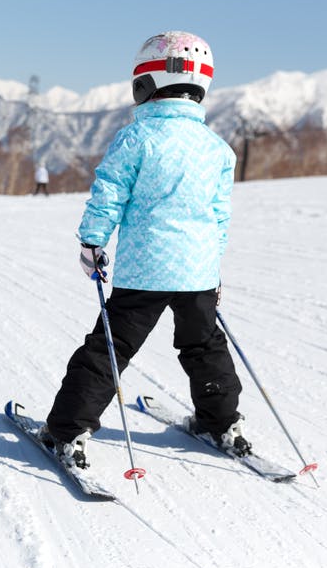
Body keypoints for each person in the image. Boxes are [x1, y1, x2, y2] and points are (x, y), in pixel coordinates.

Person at [42, 31, 246, 470]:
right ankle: (220, 421)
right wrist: (213, 270)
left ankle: (67, 430)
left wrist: (92, 242)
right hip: (197, 274)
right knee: (205, 346)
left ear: (146, 81)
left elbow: (109, 194)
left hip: (145, 271)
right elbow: (218, 218)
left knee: (109, 349)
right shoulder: (218, 150)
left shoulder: (136, 138)